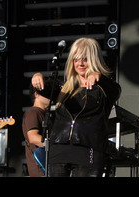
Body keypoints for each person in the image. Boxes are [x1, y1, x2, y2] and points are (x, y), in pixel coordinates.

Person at [31, 37, 121, 177]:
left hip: (89, 150)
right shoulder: (65, 89)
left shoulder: (103, 89)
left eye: (85, 59)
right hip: (59, 149)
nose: (80, 63)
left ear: (93, 59)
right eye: (76, 59)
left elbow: (115, 91)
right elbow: (44, 88)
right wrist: (37, 77)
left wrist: (99, 78)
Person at [22, 79, 59, 177]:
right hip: (41, 171)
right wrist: (58, 146)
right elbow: (33, 138)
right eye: (45, 92)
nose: (50, 96)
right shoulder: (33, 113)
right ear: (36, 94)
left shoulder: (44, 114)